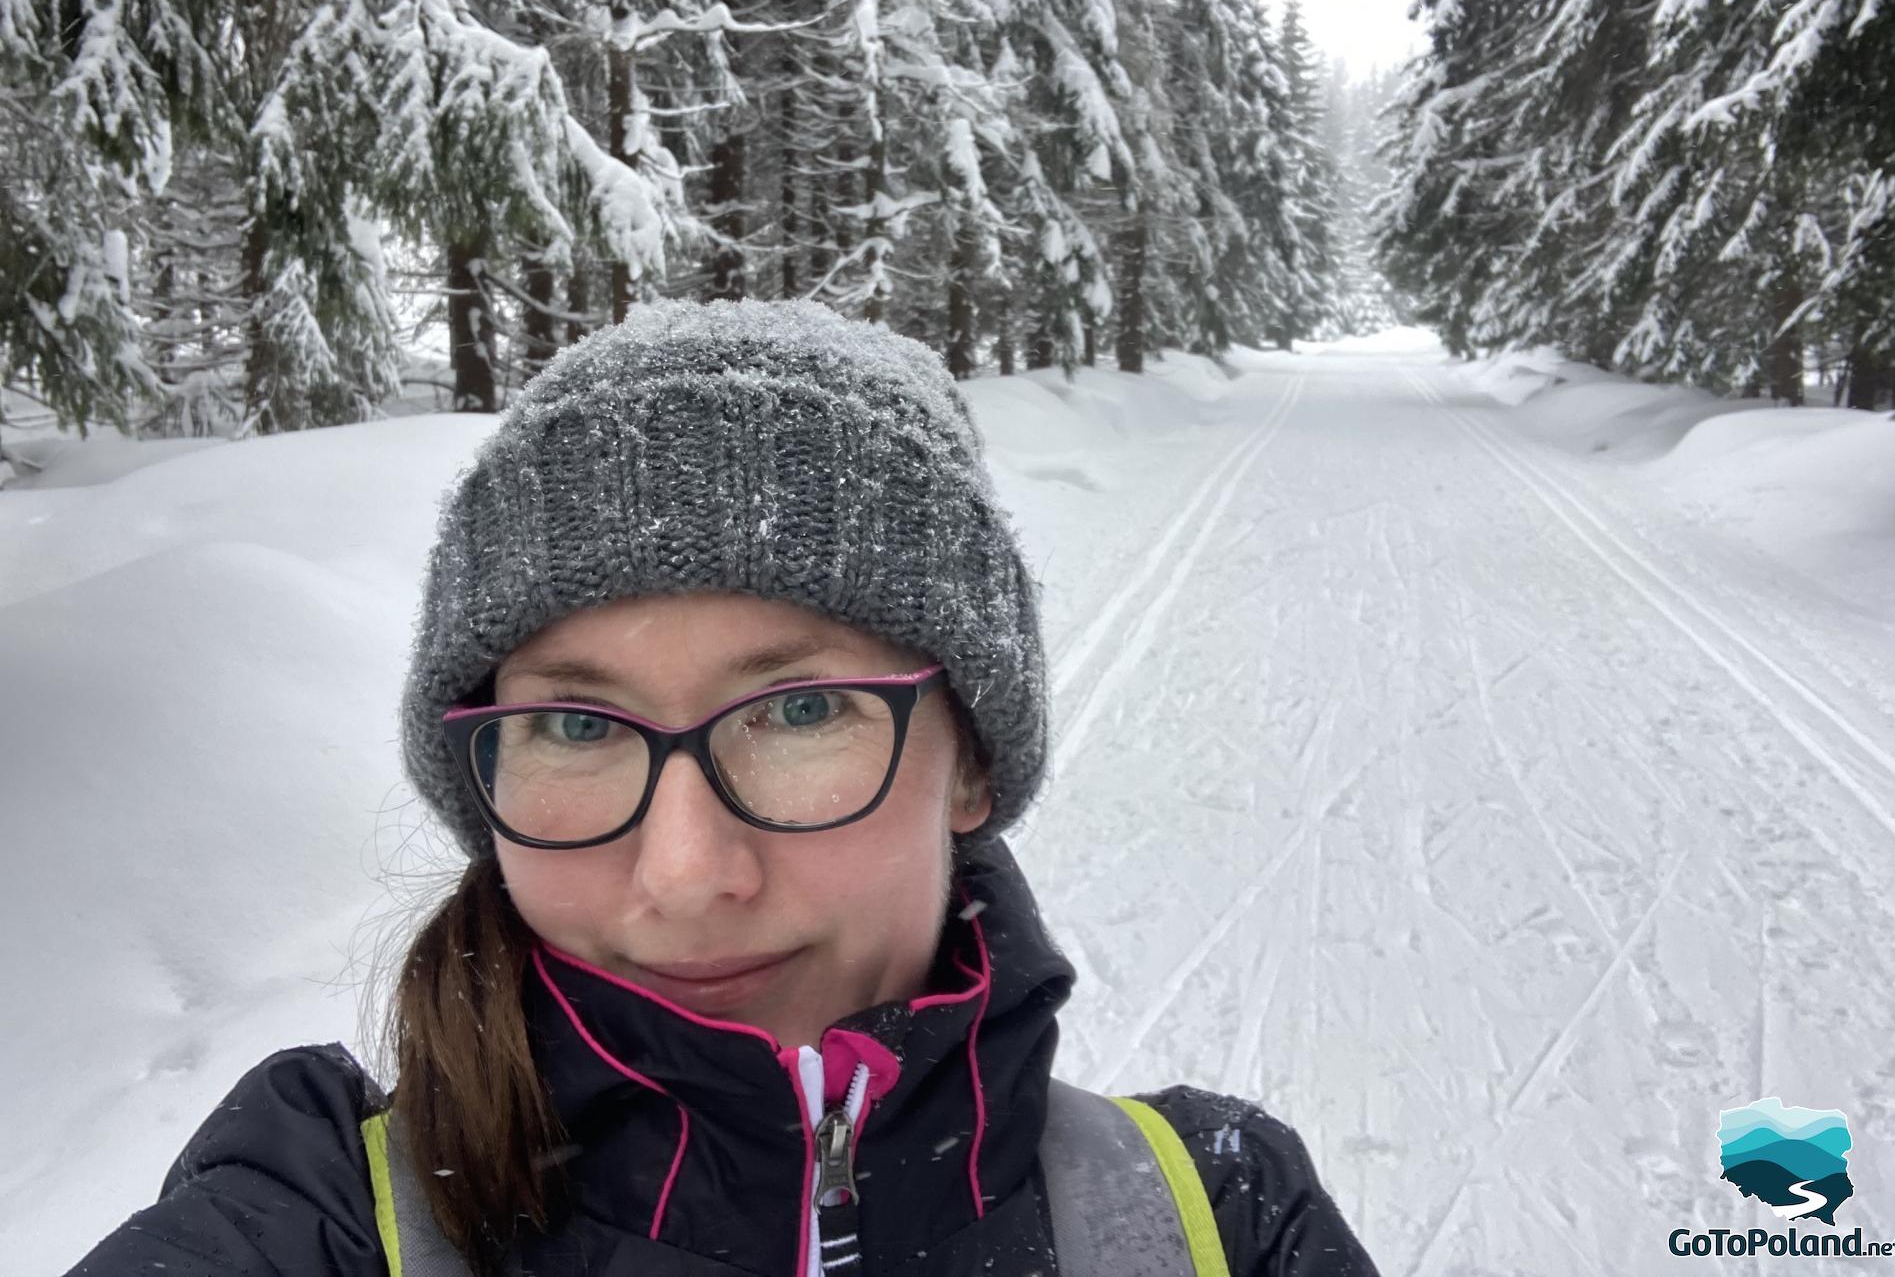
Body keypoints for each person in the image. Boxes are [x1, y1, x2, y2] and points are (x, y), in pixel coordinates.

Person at [65, 300, 1378, 1277]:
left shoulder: (1216, 1224)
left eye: (801, 710)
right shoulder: (314, 1215)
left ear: (968, 757)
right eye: (577, 722)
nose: (686, 872)